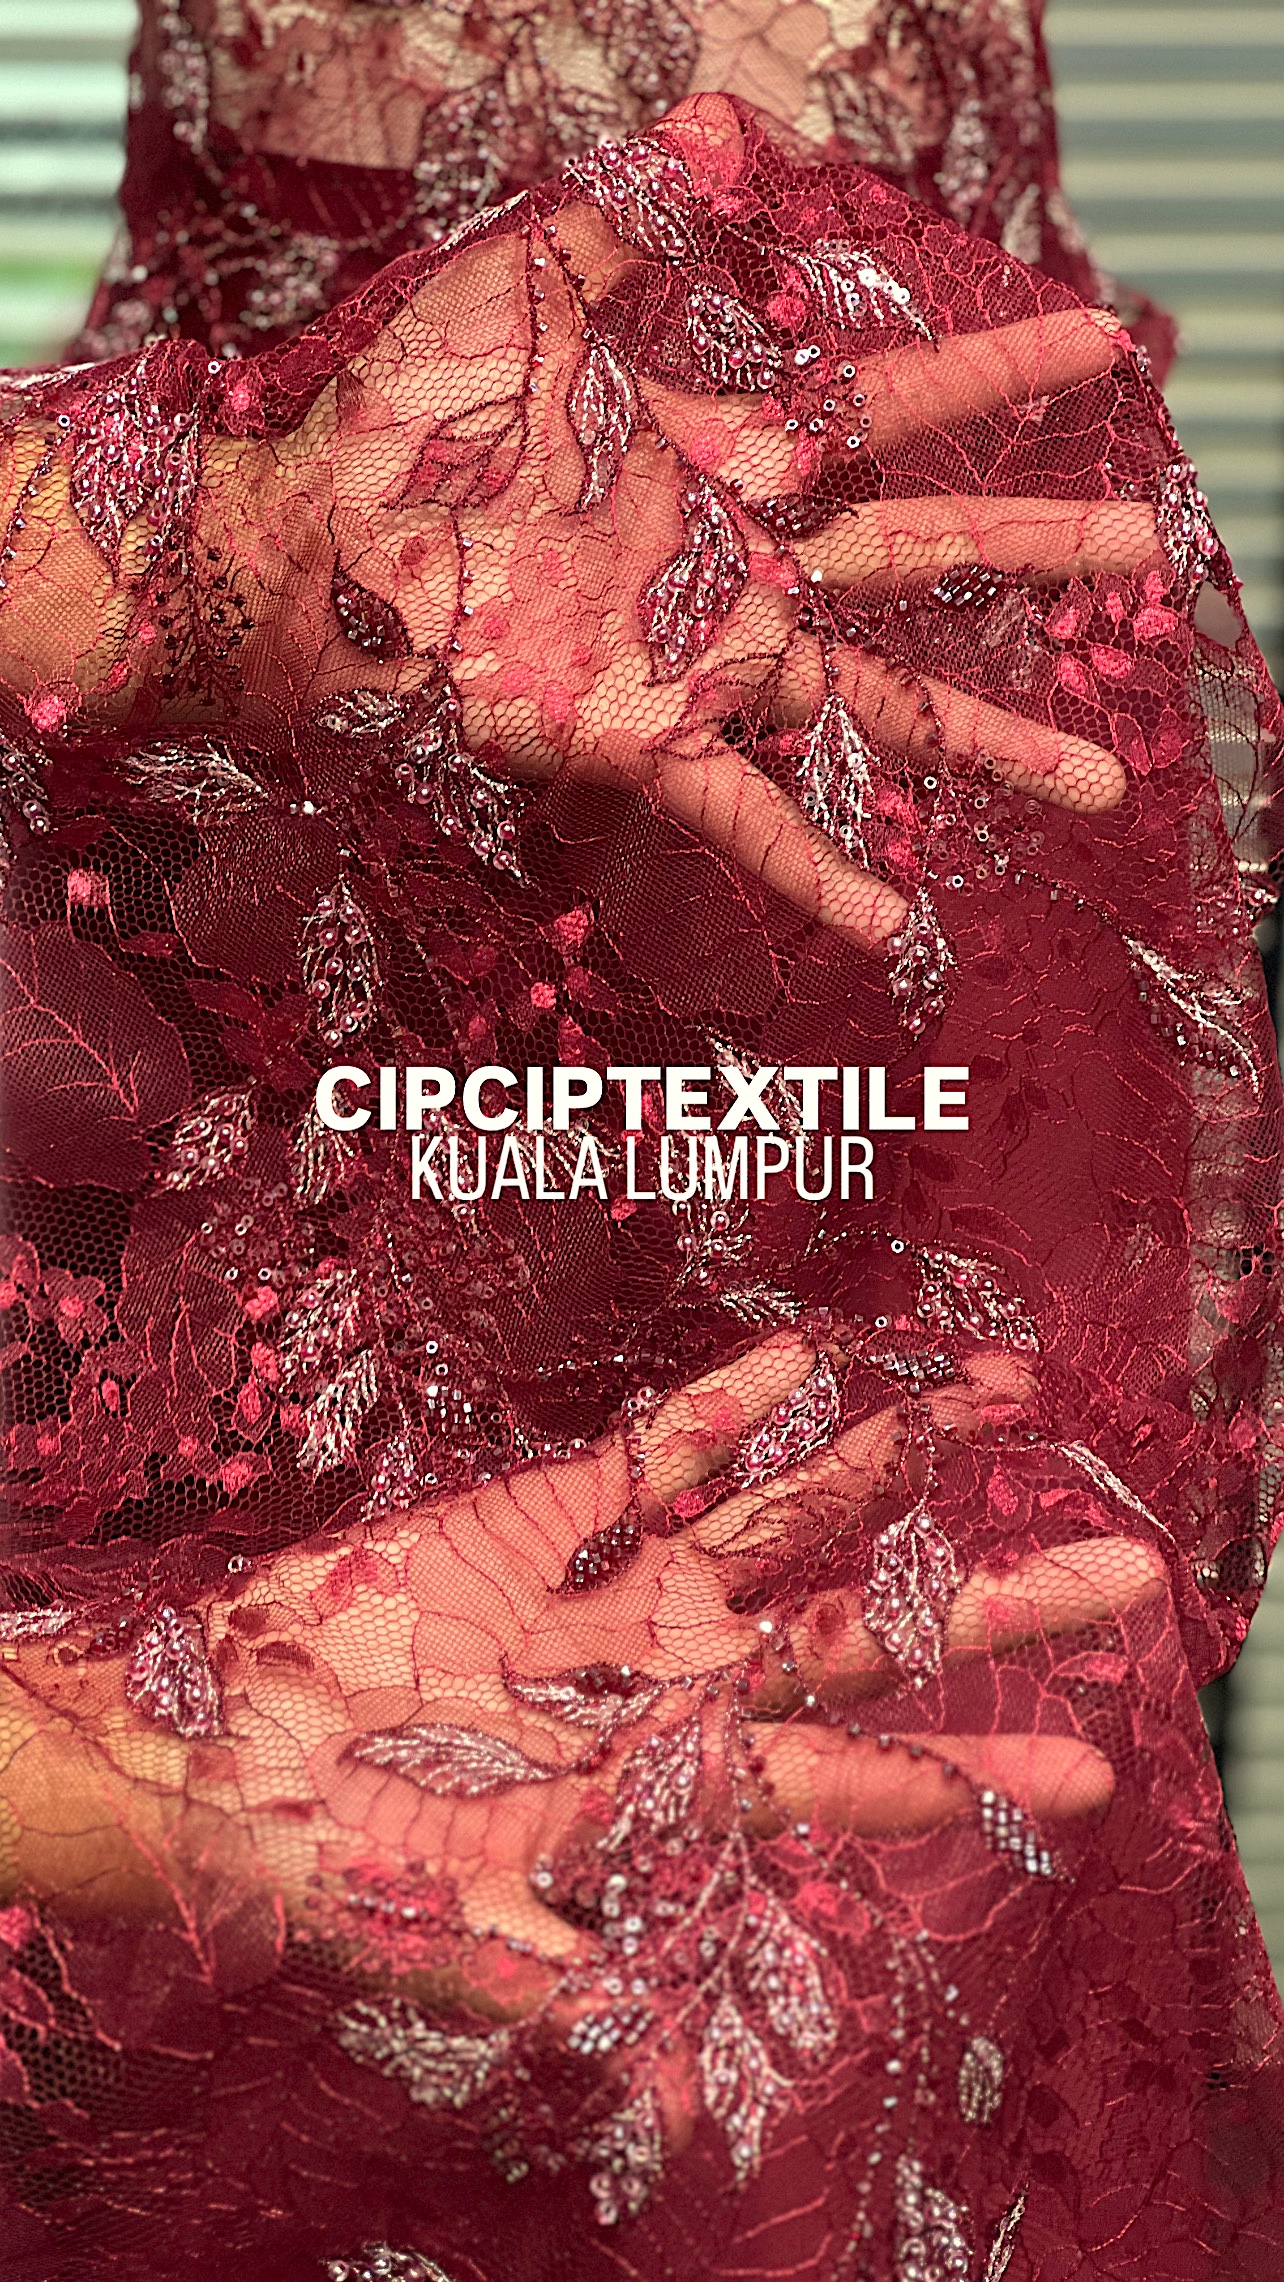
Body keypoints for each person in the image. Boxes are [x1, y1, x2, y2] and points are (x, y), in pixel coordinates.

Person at [0, 8, 1281, 2279]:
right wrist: (109, 1778)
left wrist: (241, 550)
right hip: (247, 963)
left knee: (950, 1728)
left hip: (833, 708)